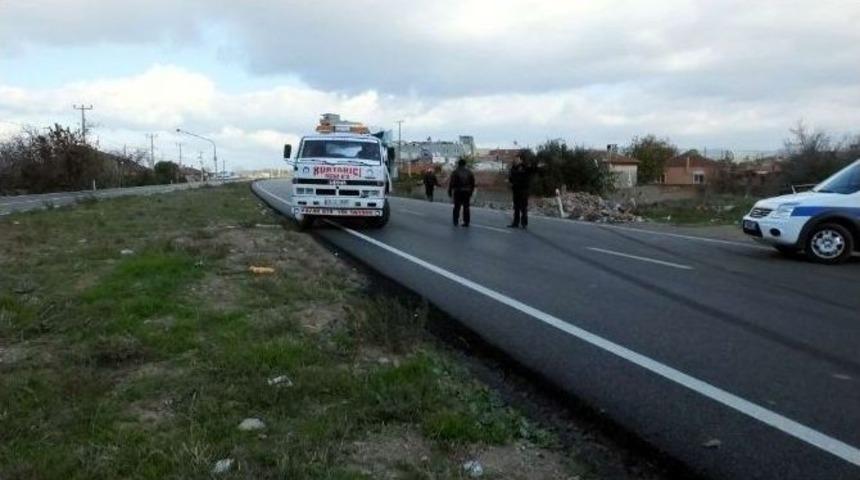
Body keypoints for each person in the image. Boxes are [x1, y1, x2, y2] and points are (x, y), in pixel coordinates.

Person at [508, 152, 537, 229]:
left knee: (523, 208)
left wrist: (535, 165)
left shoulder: (525, 167)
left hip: (524, 191)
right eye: (515, 159)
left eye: (517, 159)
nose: (515, 160)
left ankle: (524, 223)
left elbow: (533, 170)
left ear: (521, 160)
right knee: (516, 208)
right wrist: (510, 182)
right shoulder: (513, 168)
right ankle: (515, 223)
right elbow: (511, 177)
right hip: (515, 190)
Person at [448, 158, 475, 227]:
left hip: (458, 191)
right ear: (465, 164)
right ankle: (466, 222)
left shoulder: (455, 172)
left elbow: (452, 183)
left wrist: (450, 191)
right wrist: (471, 192)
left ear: (458, 164)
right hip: (467, 192)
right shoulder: (469, 172)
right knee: (466, 207)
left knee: (457, 207)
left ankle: (455, 221)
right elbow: (472, 183)